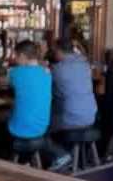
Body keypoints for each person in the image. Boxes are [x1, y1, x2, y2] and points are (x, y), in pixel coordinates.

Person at [8, 40, 71, 171]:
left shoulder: (16, 72)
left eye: (16, 56)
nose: (15, 59)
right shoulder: (47, 73)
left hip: (19, 130)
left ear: (22, 56)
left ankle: (18, 163)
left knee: (0, 118)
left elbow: (5, 82)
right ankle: (28, 161)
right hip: (42, 126)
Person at [50, 39, 98, 130]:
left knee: (43, 120)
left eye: (54, 51)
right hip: (91, 115)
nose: (53, 53)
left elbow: (49, 90)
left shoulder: (58, 69)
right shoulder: (85, 63)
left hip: (71, 119)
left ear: (59, 51)